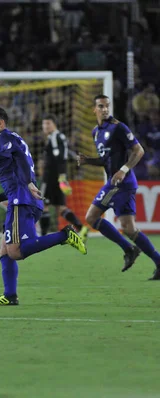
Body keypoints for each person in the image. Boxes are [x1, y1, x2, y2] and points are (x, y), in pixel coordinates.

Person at [0, 107, 87, 306]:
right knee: (4, 248)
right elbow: (17, 171)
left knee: (15, 252)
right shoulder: (11, 139)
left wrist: (29, 182)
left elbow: (20, 159)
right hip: (22, 198)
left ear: (0, 123)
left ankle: (65, 235)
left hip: (22, 201)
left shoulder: (5, 138)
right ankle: (10, 296)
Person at [78, 95, 160, 280]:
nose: (105, 109)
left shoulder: (118, 127)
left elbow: (139, 151)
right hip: (114, 184)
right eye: (101, 106)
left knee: (107, 222)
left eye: (107, 106)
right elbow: (106, 160)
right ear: (94, 109)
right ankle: (143, 254)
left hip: (122, 184)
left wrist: (123, 170)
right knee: (113, 223)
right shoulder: (96, 133)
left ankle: (133, 250)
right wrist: (87, 160)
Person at [39, 114, 88, 238]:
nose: (45, 126)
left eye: (48, 123)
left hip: (51, 176)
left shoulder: (55, 137)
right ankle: (81, 228)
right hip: (58, 176)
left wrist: (61, 176)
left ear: (54, 124)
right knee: (60, 207)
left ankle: (42, 235)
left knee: (42, 205)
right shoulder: (59, 137)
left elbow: (59, 156)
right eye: (44, 124)